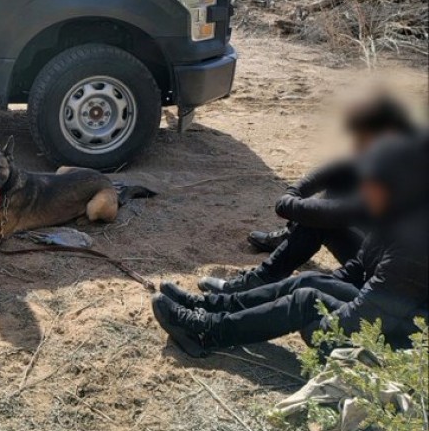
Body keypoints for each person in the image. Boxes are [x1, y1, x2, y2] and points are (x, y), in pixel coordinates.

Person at [152, 134, 428, 358]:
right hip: (390, 314)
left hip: (402, 343)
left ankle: (206, 331)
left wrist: (317, 325)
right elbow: (357, 270)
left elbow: (369, 317)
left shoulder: (414, 240)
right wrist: (320, 285)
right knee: (309, 282)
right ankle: (212, 306)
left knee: (305, 301)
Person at [199, 94, 416, 294]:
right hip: (381, 255)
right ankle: (290, 239)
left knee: (318, 220)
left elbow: (336, 212)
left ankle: (264, 277)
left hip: (393, 278)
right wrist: (295, 190)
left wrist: (287, 205)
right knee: (336, 191)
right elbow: (339, 168)